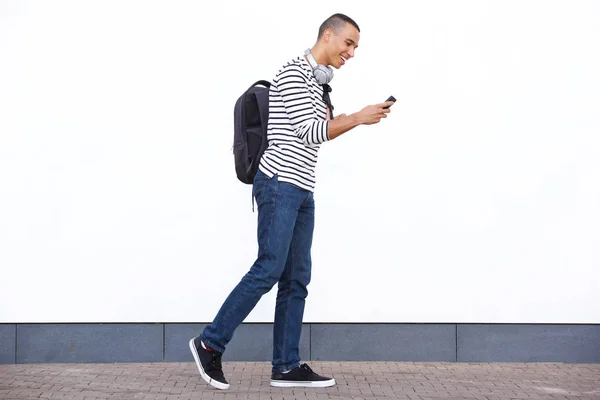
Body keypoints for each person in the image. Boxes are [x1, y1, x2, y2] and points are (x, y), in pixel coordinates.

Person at [189, 13, 394, 390]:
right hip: (279, 184)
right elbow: (310, 130)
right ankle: (209, 343)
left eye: (356, 47)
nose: (352, 53)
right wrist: (359, 118)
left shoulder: (318, 84)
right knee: (269, 268)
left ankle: (285, 366)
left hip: (301, 189)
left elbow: (314, 136)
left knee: (297, 277)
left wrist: (349, 117)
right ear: (327, 35)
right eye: (348, 43)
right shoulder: (294, 73)